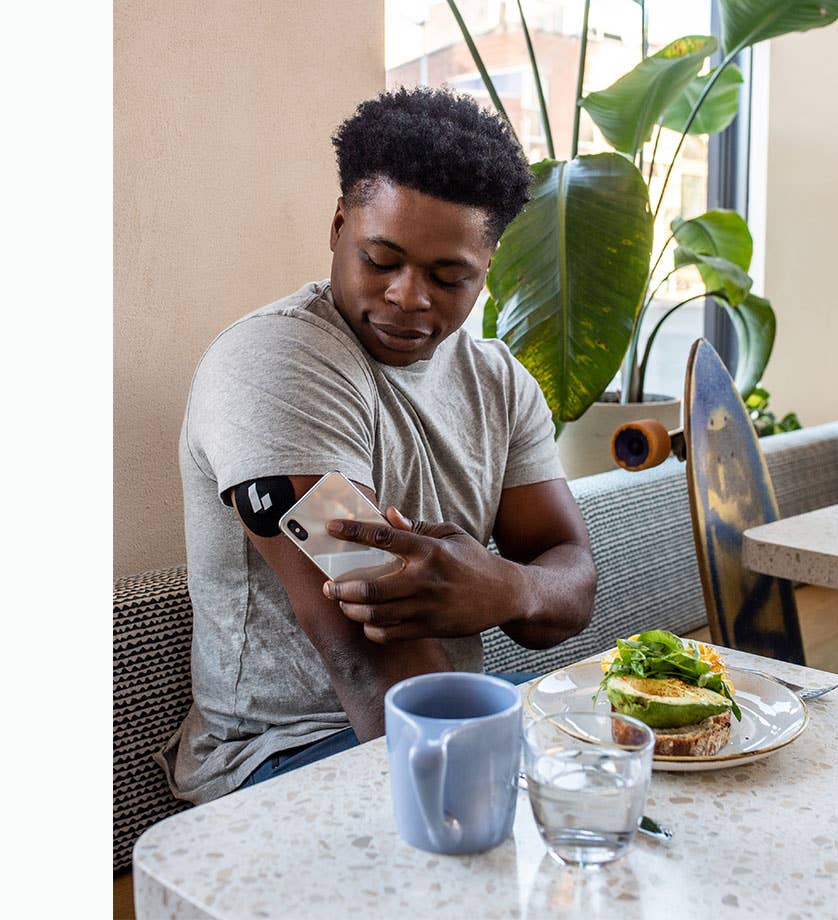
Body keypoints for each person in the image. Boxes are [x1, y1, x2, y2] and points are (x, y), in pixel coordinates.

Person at [157, 87, 597, 804]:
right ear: (338, 226)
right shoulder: (275, 364)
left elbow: (571, 578)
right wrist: (485, 800)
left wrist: (506, 586)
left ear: (487, 265)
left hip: (463, 704)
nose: (407, 296)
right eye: (381, 258)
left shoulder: (500, 381)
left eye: (449, 276)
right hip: (289, 752)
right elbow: (367, 649)